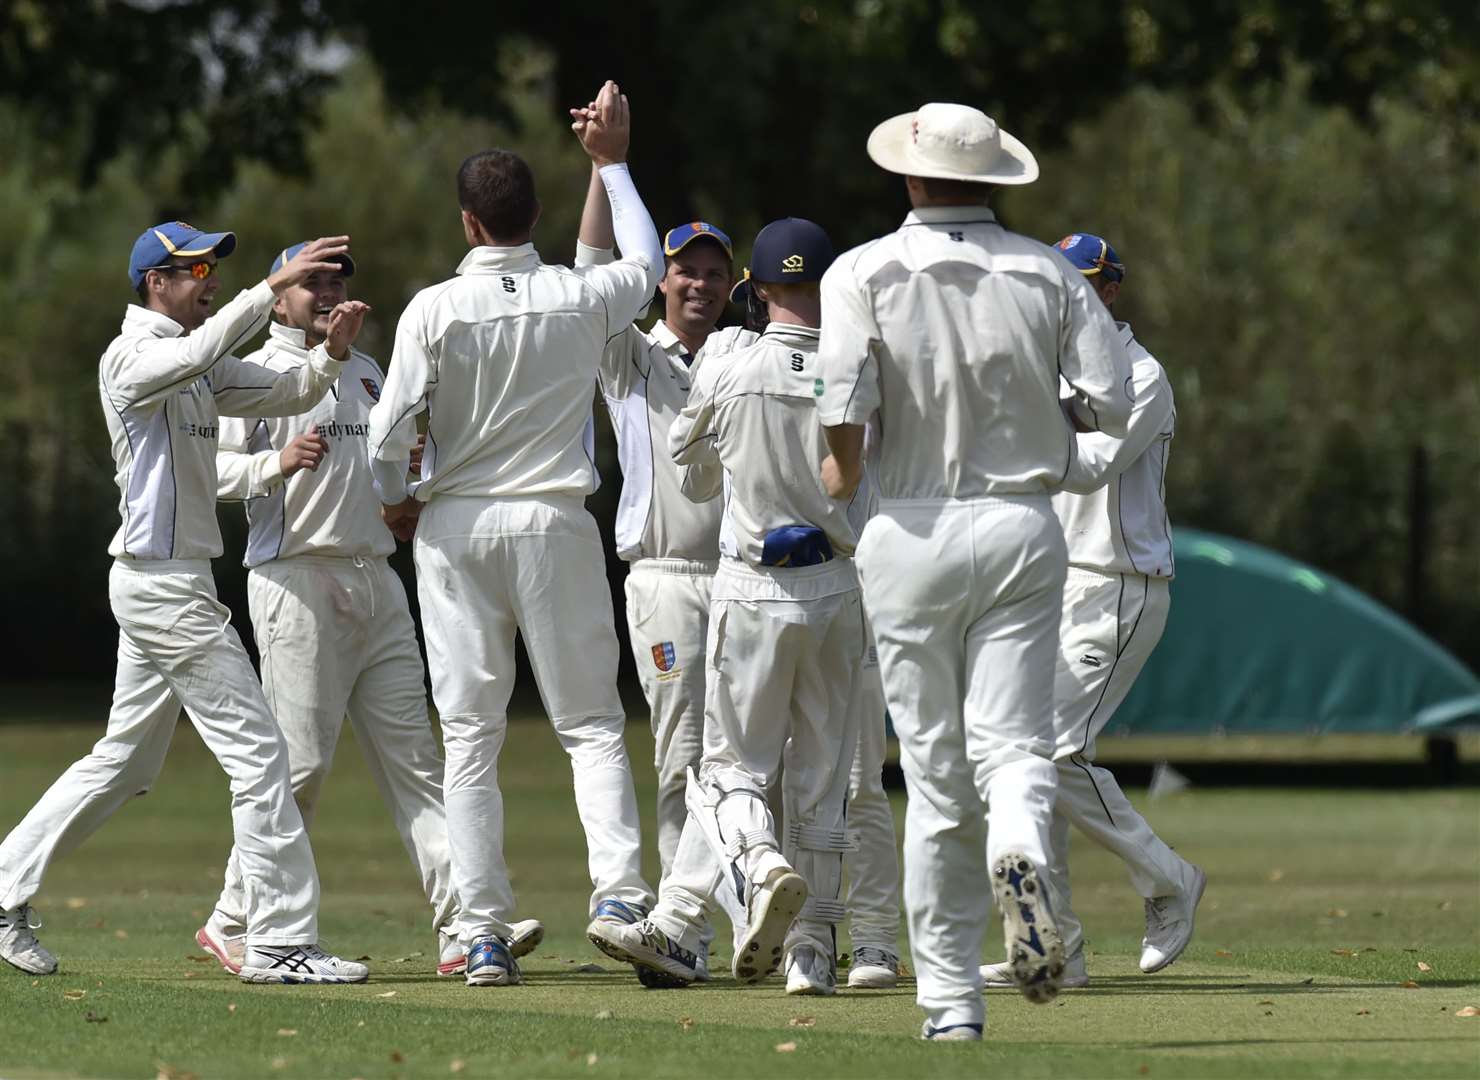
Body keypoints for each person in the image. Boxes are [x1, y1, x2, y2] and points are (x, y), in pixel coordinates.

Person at [815, 103, 1135, 1039]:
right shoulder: (1045, 272)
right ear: (994, 177)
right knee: (1015, 745)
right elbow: (1111, 401)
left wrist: (840, 471)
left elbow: (842, 392)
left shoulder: (860, 270)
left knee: (936, 779)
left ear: (911, 178)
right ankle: (1025, 845)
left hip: (908, 526)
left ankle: (952, 1004)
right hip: (1022, 523)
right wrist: (1046, 415)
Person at [0, 223, 369, 984]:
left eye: (212, 269)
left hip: (173, 580)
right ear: (153, 281)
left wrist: (332, 351)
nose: (206, 278)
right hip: (162, 585)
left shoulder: (199, 363)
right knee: (263, 755)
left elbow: (290, 388)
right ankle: (278, 940)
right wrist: (269, 288)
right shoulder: (132, 358)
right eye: (193, 268)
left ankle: (2, 889)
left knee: (125, 763)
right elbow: (197, 355)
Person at [365, 80, 658, 988]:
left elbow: (384, 440)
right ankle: (617, 898)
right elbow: (646, 264)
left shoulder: (432, 309)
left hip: (455, 527)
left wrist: (397, 497)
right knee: (591, 725)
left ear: (467, 224)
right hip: (555, 523)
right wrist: (612, 165)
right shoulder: (578, 296)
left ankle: (484, 933)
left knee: (470, 735)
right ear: (532, 215)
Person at [199, 242, 544, 981]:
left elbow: (389, 461)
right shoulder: (253, 373)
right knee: (300, 767)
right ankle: (237, 920)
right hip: (297, 579)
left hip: (377, 581)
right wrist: (274, 462)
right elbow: (211, 471)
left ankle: (465, 927)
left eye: (336, 282)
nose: (326, 293)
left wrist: (405, 498)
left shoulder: (365, 368)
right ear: (281, 294)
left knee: (418, 762)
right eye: (310, 282)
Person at [590, 218, 870, 998]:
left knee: (725, 770)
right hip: (838, 587)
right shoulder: (858, 366)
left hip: (754, 585)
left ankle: (756, 867)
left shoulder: (729, 359)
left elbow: (692, 468)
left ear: (753, 285)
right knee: (818, 778)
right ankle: (809, 952)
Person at [981, 233, 1204, 990]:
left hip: (1120, 585)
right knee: (1023, 762)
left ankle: (1169, 878)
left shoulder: (1142, 377)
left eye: (1081, 285)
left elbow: (1093, 468)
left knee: (1048, 755)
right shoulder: (1043, 371)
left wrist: (1018, 434)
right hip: (1052, 584)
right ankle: (1057, 949)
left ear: (1109, 293)